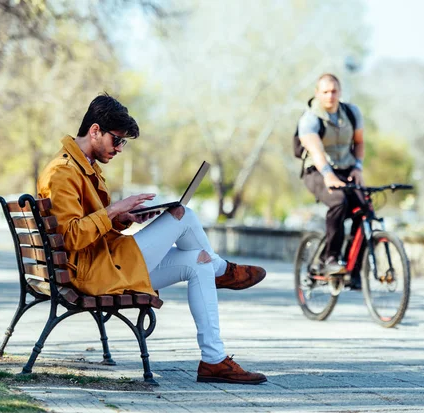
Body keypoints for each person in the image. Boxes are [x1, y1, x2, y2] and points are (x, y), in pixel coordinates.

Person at [37, 94, 267, 385]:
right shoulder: (63, 172)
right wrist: (113, 210)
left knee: (199, 263)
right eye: (116, 140)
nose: (120, 149)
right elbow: (70, 237)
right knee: (183, 214)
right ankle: (224, 270)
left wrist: (123, 217)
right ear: (95, 130)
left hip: (105, 263)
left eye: (124, 142)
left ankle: (213, 360)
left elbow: (91, 225)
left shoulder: (84, 166)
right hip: (94, 273)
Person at [298, 73, 366, 280]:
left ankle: (354, 271)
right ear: (317, 93)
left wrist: (357, 167)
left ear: (340, 92)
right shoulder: (310, 119)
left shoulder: (351, 113)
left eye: (334, 91)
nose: (330, 96)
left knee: (365, 210)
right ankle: (330, 258)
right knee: (339, 202)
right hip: (317, 170)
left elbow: (359, 142)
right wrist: (328, 175)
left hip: (346, 169)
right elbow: (316, 151)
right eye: (325, 91)